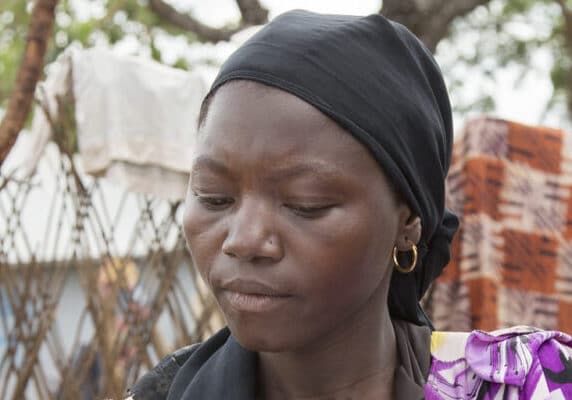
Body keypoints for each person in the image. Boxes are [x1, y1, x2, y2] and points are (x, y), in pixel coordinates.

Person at [127, 9, 572, 400]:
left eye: (306, 204)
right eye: (213, 196)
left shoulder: (534, 383)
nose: (243, 241)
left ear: (409, 220)